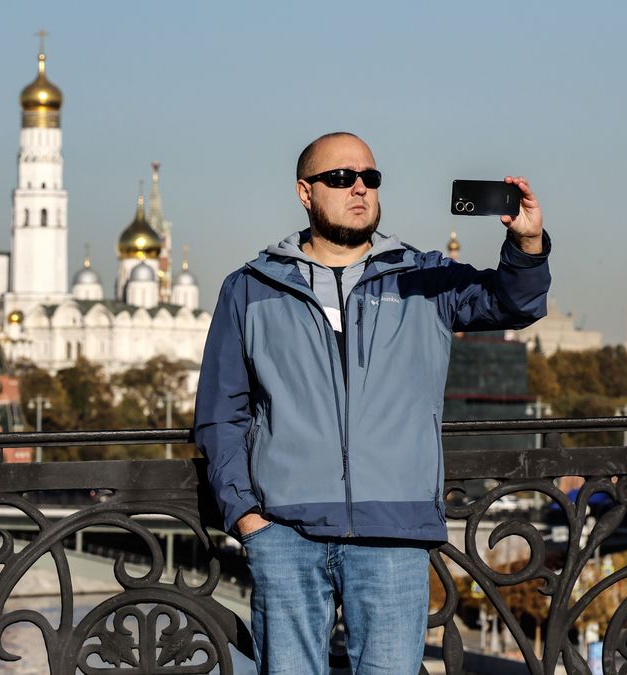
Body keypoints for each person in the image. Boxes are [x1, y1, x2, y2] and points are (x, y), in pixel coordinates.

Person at [193, 132, 550, 673]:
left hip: (394, 534)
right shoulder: (251, 288)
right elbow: (221, 411)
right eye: (340, 178)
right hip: (286, 534)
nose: (358, 188)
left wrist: (527, 244)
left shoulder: (424, 277)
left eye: (369, 178)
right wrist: (246, 517)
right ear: (304, 192)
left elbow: (513, 303)